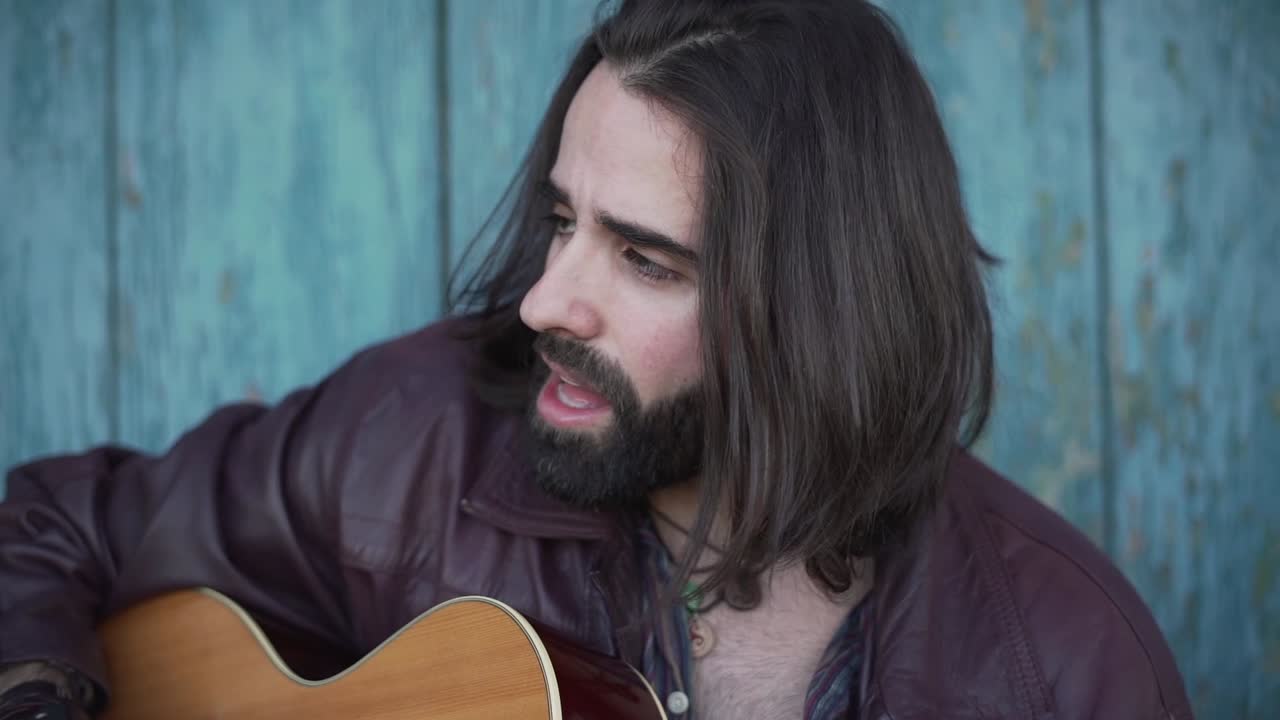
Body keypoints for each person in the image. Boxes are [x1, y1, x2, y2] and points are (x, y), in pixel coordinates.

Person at [0, 1, 1194, 718]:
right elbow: (49, 529)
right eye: (561, 221)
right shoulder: (410, 440)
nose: (542, 303)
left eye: (644, 260)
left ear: (818, 311)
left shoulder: (1064, 664)